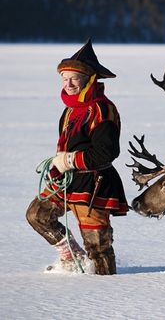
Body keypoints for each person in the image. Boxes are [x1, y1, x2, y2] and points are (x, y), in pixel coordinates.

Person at [26, 39, 128, 275]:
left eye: (74, 78)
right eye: (64, 78)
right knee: (37, 215)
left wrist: (70, 160)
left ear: (90, 78)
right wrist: (57, 165)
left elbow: (107, 152)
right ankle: (71, 257)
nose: (68, 83)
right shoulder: (70, 110)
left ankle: (108, 290)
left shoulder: (102, 109)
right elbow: (66, 144)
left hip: (94, 183)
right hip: (66, 180)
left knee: (98, 247)